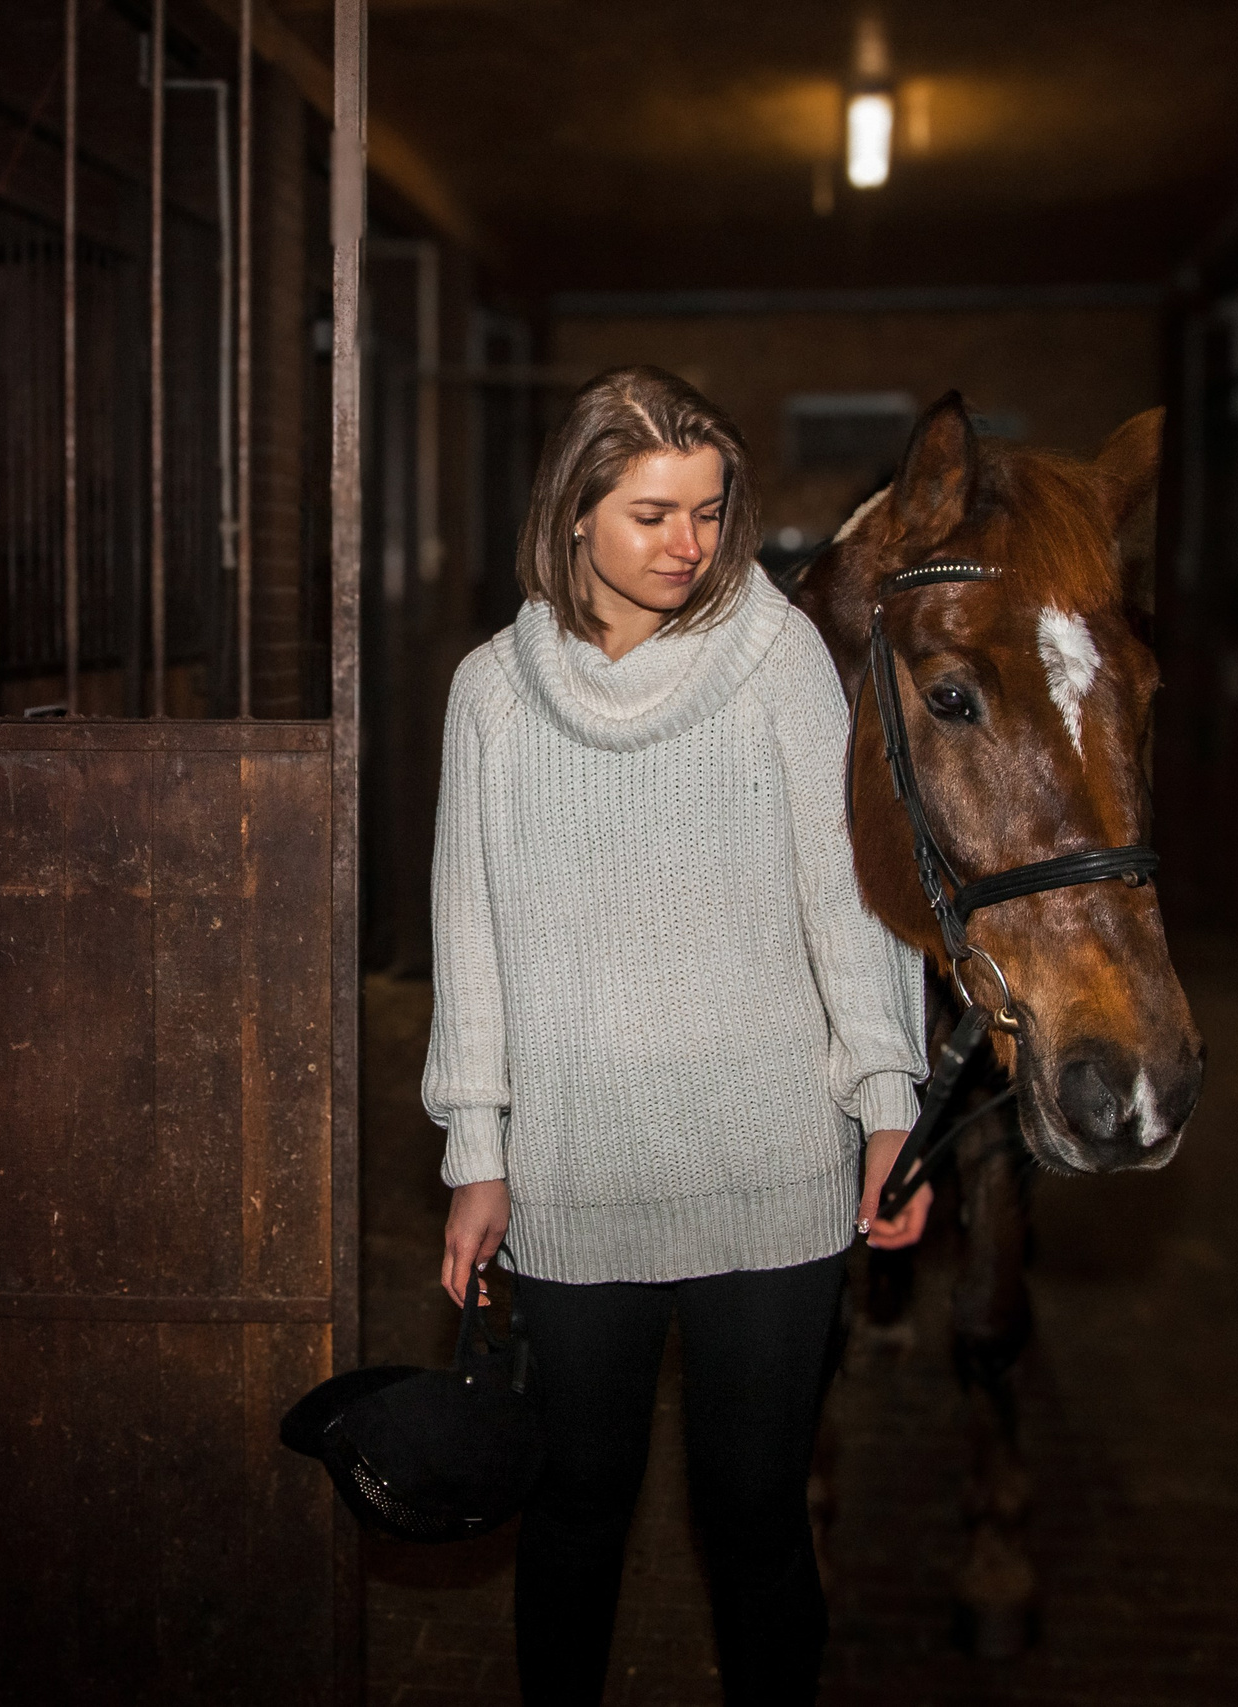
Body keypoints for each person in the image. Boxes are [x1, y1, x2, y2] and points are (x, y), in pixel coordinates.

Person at [422, 365, 934, 1705]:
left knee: (756, 1520)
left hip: (773, 1173)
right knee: (576, 1514)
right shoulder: (492, 694)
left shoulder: (780, 667)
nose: (688, 546)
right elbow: (467, 934)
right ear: (575, 511)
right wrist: (477, 1149)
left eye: (710, 513)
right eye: (652, 513)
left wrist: (889, 1098)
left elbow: (852, 898)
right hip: (577, 1179)